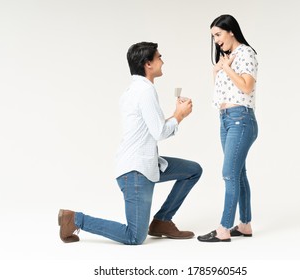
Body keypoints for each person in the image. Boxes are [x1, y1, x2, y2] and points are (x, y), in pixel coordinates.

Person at [58, 42, 202, 245]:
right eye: (159, 57)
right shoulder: (145, 91)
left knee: (193, 170)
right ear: (148, 64)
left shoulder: (135, 90)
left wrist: (175, 115)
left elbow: (153, 128)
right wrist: (179, 116)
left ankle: (162, 221)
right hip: (136, 171)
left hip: (146, 164)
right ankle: (74, 219)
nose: (162, 61)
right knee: (134, 236)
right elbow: (159, 132)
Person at [197, 15, 258, 242]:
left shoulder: (246, 53)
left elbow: (247, 86)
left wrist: (226, 68)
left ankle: (224, 229)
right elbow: (222, 92)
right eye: (213, 36)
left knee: (229, 174)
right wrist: (218, 70)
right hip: (225, 119)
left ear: (231, 31)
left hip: (240, 119)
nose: (216, 40)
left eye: (218, 34)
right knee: (239, 174)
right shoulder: (228, 57)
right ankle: (244, 225)